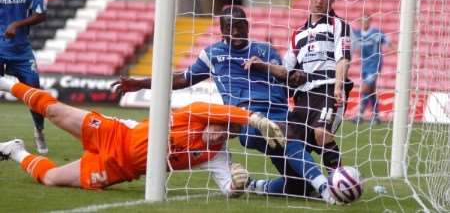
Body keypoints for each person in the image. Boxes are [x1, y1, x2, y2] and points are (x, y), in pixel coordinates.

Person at [113, 5, 336, 204]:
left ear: (247, 26)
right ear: (222, 29)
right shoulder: (213, 54)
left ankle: (255, 185)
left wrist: (275, 71)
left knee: (297, 186)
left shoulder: (264, 50)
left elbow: (285, 79)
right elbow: (182, 79)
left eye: (240, 26)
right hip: (247, 117)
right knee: (283, 135)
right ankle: (325, 187)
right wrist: (141, 83)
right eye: (230, 27)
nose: (236, 31)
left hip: (278, 111)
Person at [0, 75, 284, 195]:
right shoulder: (194, 114)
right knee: (55, 112)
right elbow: (224, 111)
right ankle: (9, 84)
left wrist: (237, 185)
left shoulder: (216, 155)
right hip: (115, 133)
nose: (221, 135)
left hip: (118, 168)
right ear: (216, 119)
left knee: (51, 179)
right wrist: (255, 120)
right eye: (221, 126)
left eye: (228, 134)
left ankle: (16, 151)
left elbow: (227, 187)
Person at [246, 0, 353, 177]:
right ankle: (297, 184)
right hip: (303, 98)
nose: (320, 1)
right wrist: (262, 66)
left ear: (332, 0)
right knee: (287, 139)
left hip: (328, 90)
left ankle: (340, 181)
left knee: (322, 133)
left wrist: (339, 86)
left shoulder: (339, 25)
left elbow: (343, 59)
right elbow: (286, 71)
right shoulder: (298, 35)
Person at [0, 0, 48, 154]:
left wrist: (17, 24)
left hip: (21, 50)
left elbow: (41, 14)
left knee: (35, 93)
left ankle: (39, 130)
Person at [352, 14, 392, 124]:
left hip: (375, 65)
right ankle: (376, 115)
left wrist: (397, 50)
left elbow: (388, 42)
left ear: (370, 21)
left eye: (366, 20)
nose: (364, 22)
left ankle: (360, 114)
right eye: (362, 20)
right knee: (371, 91)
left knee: (365, 88)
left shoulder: (376, 33)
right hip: (364, 66)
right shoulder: (357, 34)